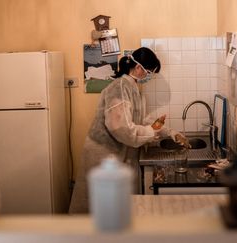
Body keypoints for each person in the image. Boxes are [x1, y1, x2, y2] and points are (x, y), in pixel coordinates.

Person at [69, 47, 187, 214]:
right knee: (97, 209)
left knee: (112, 209)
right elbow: (121, 128)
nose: (149, 77)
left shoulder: (132, 89)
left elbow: (139, 120)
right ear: (138, 68)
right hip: (103, 155)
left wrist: (167, 131)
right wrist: (151, 132)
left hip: (116, 154)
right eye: (149, 72)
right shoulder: (120, 88)